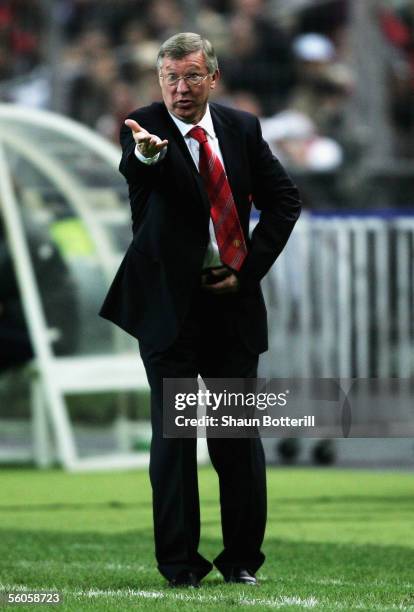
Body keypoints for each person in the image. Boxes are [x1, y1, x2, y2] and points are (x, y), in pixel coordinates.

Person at [99, 32, 301, 587]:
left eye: (191, 77)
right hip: (168, 309)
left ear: (212, 78)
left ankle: (241, 561)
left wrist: (244, 271)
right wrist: (145, 155)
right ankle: (180, 566)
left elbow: (285, 201)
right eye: (170, 78)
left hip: (230, 304)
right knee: (176, 436)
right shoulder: (142, 127)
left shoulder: (241, 128)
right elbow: (138, 169)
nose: (180, 89)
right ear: (158, 81)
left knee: (235, 436)